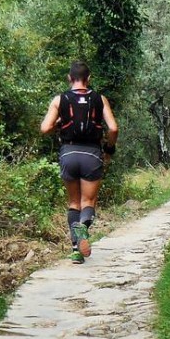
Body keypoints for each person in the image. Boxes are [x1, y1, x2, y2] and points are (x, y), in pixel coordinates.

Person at [40, 61, 118, 264]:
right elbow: (113, 129)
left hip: (68, 153)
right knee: (88, 203)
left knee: (73, 203)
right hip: (92, 154)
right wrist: (109, 149)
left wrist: (58, 124)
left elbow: (45, 128)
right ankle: (83, 225)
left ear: (69, 78)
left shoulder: (60, 99)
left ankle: (76, 250)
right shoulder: (99, 99)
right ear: (88, 79)